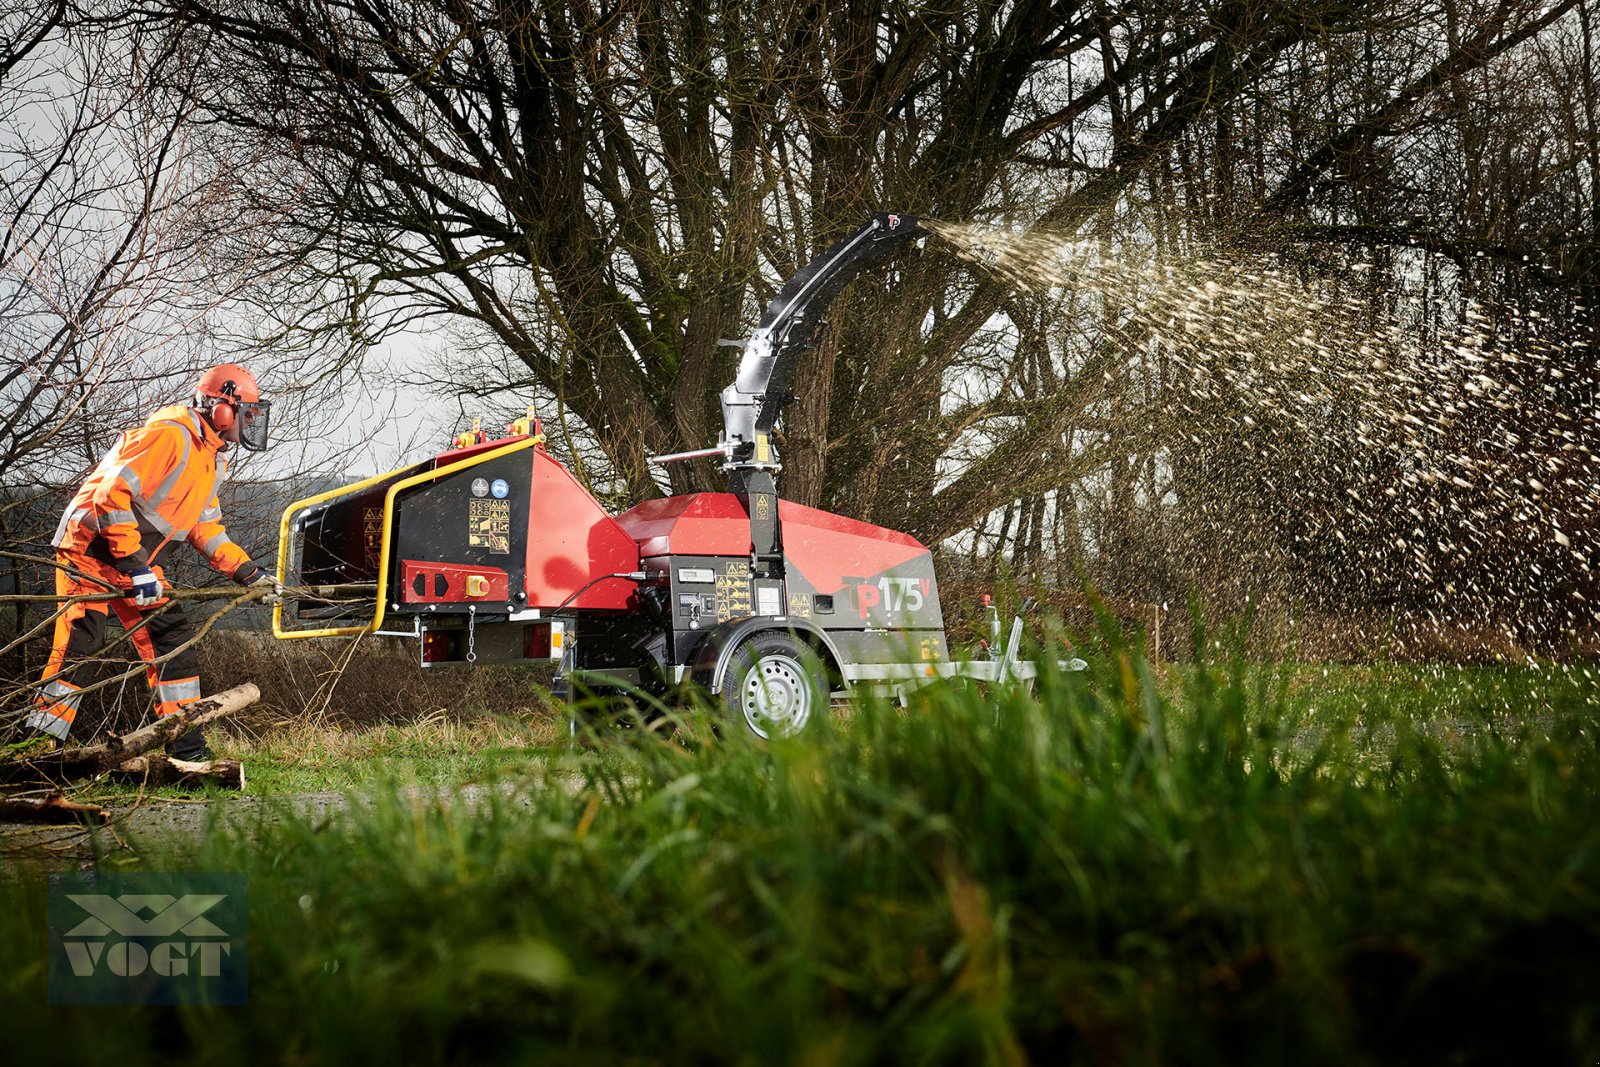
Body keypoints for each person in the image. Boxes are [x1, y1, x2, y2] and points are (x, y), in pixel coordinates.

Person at [25, 364, 279, 759]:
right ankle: (35, 751)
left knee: (172, 641)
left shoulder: (213, 460)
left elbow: (205, 526)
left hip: (135, 562)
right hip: (90, 552)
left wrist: (247, 572)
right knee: (81, 645)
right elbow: (110, 495)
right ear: (222, 410)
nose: (249, 423)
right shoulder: (169, 436)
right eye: (246, 413)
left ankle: (186, 750)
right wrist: (136, 566)